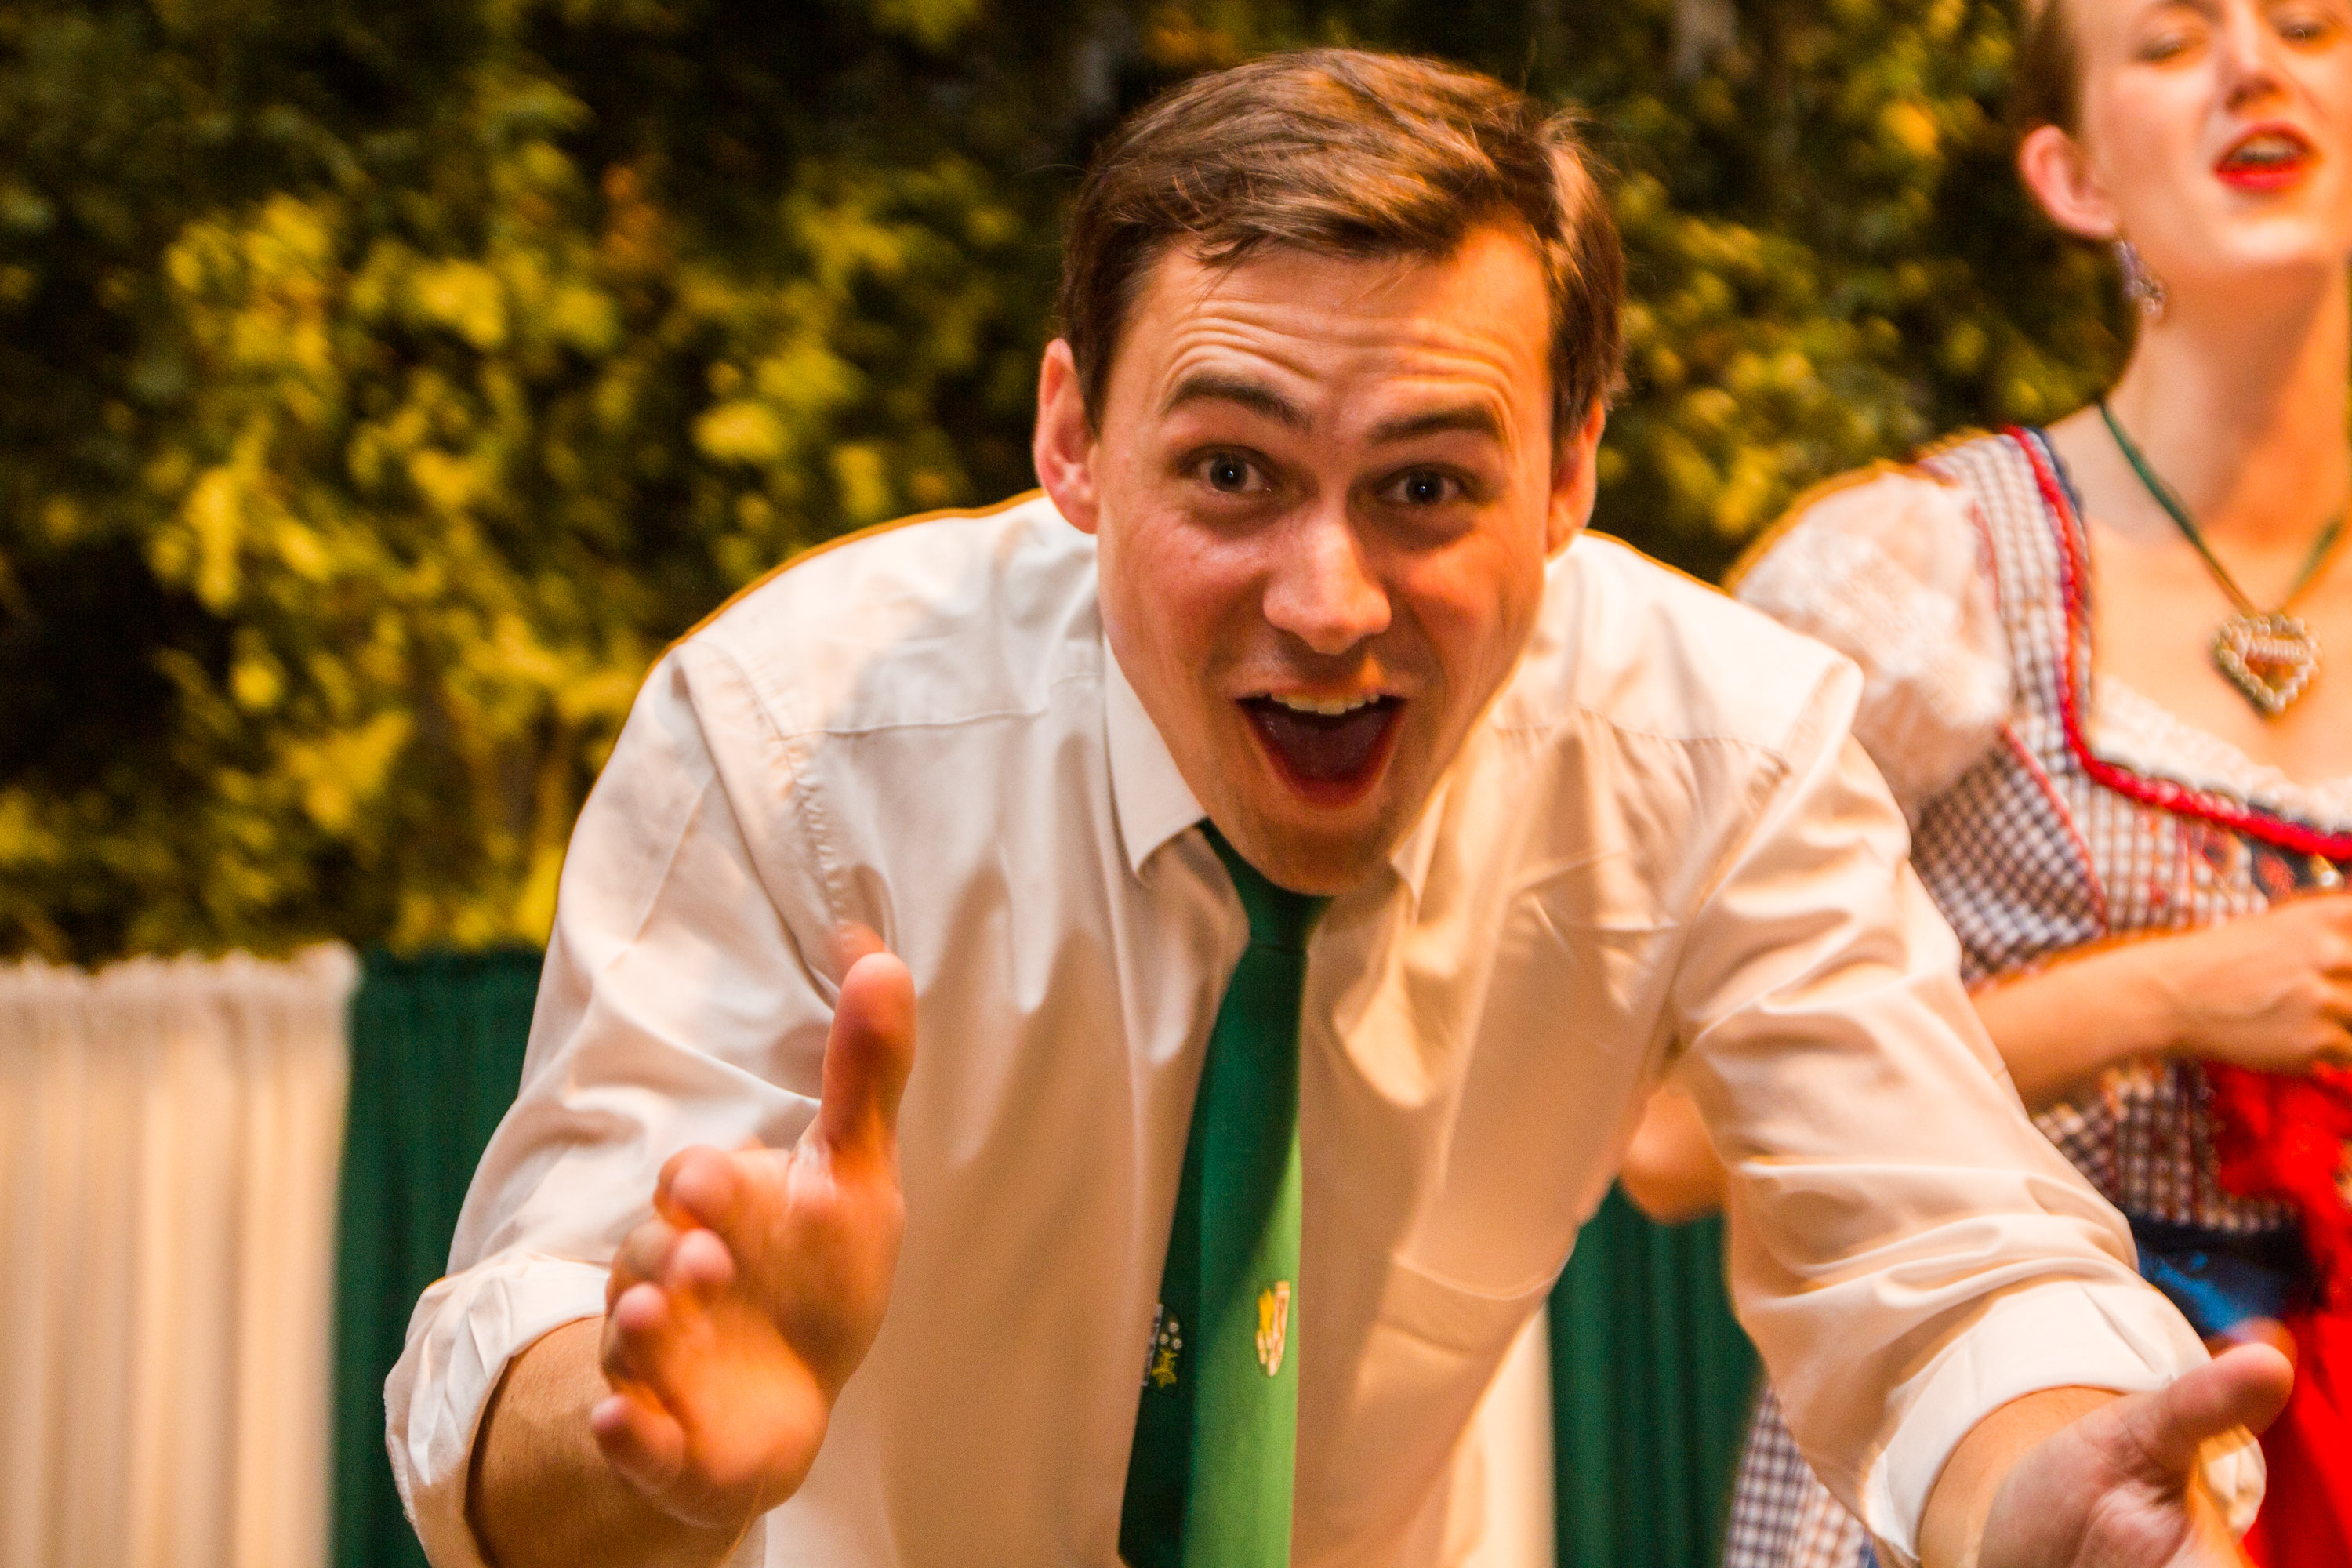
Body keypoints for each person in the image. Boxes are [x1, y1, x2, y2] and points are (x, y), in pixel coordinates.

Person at [387, 47, 2291, 1568]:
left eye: (1427, 487)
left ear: (1570, 474)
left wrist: (2048, 1486)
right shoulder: (795, 736)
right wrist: (651, 1452)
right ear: (1072, 439)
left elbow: (1944, 1259)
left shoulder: (1722, 751)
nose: (1326, 602)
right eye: (1232, 472)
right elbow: (516, 1363)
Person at [1627, 1, 2352, 1563]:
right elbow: (1671, 1137)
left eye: (2309, 23)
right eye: (2170, 43)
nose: (2254, 65)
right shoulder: (1923, 569)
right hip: (1982, 1470)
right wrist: (2166, 993)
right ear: (2072, 175)